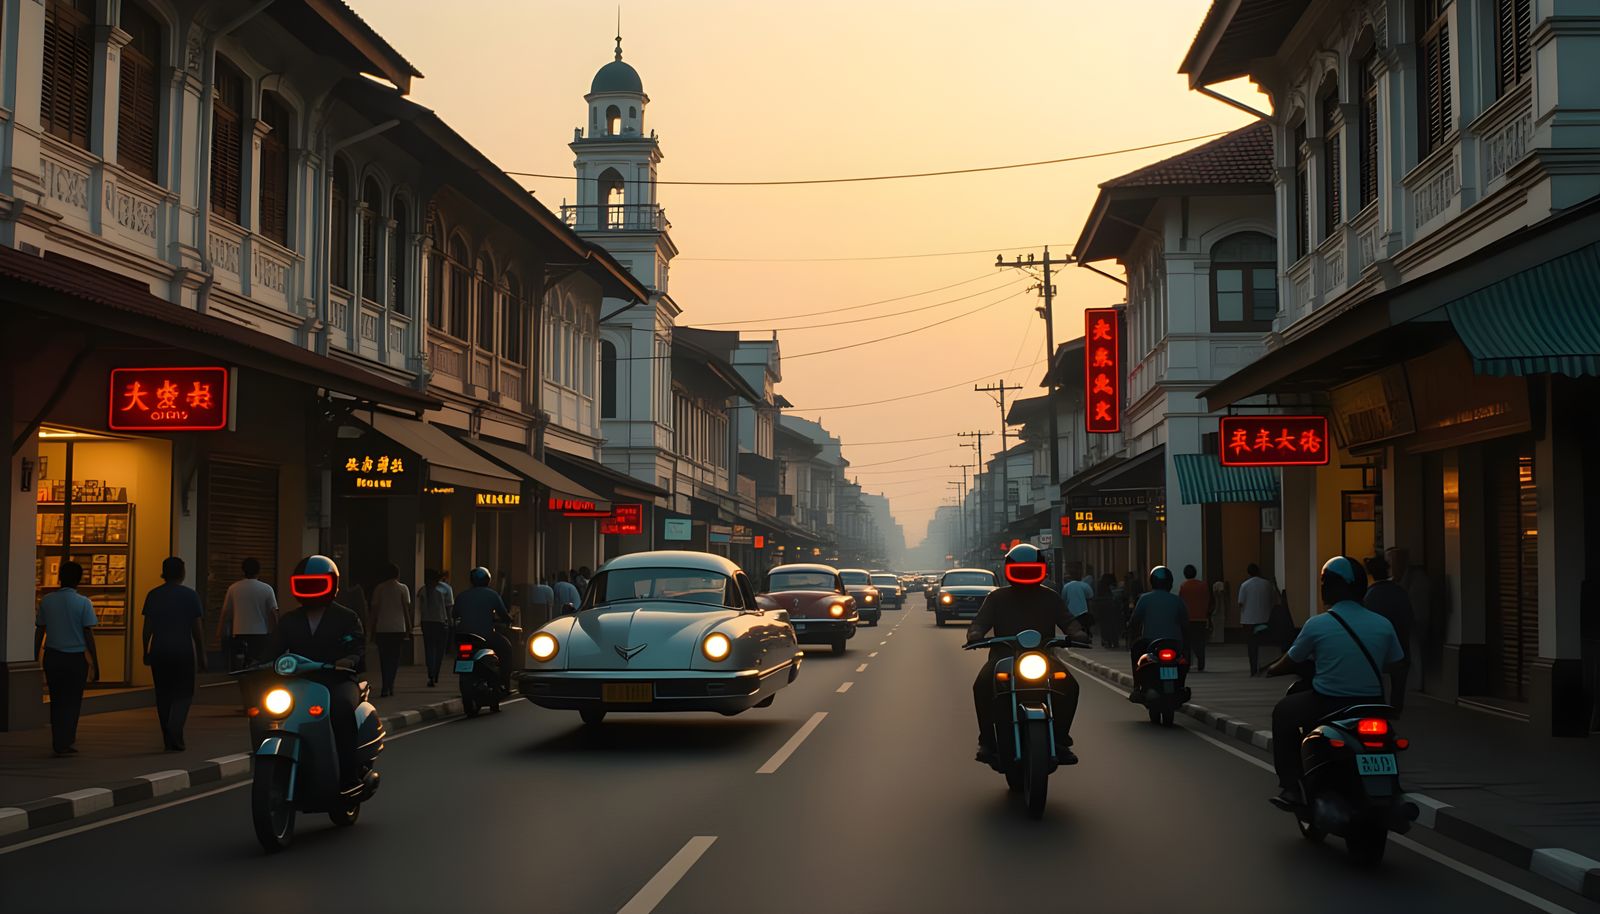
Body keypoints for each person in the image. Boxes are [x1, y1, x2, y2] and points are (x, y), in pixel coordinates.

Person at [1264, 556, 1404, 804]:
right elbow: (1398, 666)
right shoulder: (1383, 624)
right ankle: (1394, 788)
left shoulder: (1318, 624)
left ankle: (1291, 787)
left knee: (1283, 713)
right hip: (1373, 704)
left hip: (1330, 702)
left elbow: (1292, 659)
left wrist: (1273, 669)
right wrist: (1396, 704)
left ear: (1329, 587)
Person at [966, 544, 1083, 765]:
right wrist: (975, 634)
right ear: (1009, 570)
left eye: (1030, 569)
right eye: (1021, 570)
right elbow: (979, 623)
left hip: (1043, 657)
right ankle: (988, 741)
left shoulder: (1050, 597)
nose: (1025, 574)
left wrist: (1077, 633)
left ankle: (1060, 738)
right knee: (981, 685)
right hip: (1002, 658)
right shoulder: (996, 598)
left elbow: (1069, 622)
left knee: (1071, 686)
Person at [267, 554, 365, 787]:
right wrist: (256, 665)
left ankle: (348, 774)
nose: (310, 588)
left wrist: (349, 659)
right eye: (305, 584)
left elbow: (358, 647)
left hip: (337, 680)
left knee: (341, 709)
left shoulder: (346, 617)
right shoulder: (289, 620)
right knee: (265, 709)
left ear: (332, 584)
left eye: (317, 583)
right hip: (299, 682)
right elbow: (272, 651)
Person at [141, 557, 208, 750]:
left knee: (163, 694)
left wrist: (145, 650)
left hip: (159, 650)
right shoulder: (190, 595)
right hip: (183, 651)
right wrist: (202, 654)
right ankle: (175, 728)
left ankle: (167, 737)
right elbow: (197, 629)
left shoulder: (153, 595)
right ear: (182, 573)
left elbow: (147, 628)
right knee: (184, 693)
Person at [34, 561, 99, 756]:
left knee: (57, 699)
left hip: (53, 656)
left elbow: (40, 630)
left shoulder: (47, 601)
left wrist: (34, 654)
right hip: (75, 658)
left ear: (59, 578)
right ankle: (67, 739)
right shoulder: (84, 602)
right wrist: (95, 661)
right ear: (79, 580)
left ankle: (58, 739)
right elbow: (88, 633)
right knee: (72, 701)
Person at [1126, 566, 1188, 700]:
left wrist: (1130, 628)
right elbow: (1185, 623)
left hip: (1150, 643)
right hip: (1174, 644)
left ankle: (1137, 686)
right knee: (1185, 658)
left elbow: (1134, 621)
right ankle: (1181, 685)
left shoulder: (1144, 599)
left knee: (1136, 650)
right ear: (1170, 583)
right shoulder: (1177, 600)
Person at [1363, 555, 1414, 714]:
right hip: (1400, 645)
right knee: (1398, 681)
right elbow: (1409, 617)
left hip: (1376, 649)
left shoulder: (1368, 596)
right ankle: (1396, 708)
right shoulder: (1400, 592)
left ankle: (1378, 707)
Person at [455, 567, 514, 691]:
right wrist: (509, 619)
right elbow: (503, 614)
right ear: (488, 580)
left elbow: (454, 614)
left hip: (464, 636)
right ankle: (504, 683)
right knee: (506, 649)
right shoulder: (492, 594)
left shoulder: (462, 596)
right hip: (485, 635)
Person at [216, 557, 278, 669]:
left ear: (243, 570)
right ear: (259, 571)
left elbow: (225, 612)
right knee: (258, 665)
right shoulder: (267, 589)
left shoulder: (233, 588)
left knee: (238, 666)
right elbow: (274, 612)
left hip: (239, 633)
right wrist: (276, 632)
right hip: (260, 634)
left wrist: (220, 632)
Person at [1387, 546, 1430, 689]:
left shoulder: (1417, 580)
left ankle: (1416, 684)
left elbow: (1418, 607)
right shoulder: (1399, 581)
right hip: (1406, 624)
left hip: (1414, 623)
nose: (1391, 567)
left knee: (1414, 653)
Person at [368, 562, 412, 698]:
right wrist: (409, 628)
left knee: (384, 658)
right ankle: (389, 685)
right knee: (394, 659)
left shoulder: (379, 589)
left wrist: (371, 629)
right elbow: (406, 609)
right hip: (398, 628)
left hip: (382, 628)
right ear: (397, 574)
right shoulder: (403, 588)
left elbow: (374, 611)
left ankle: (385, 685)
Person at [1238, 564, 1276, 676]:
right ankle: (1264, 666)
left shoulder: (1245, 585)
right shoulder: (1267, 584)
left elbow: (1240, 602)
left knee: (1252, 645)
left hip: (1248, 620)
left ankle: (1253, 669)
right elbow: (1272, 600)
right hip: (1265, 618)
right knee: (1264, 644)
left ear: (1248, 573)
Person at [419, 568, 454, 687]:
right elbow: (449, 608)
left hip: (426, 622)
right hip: (441, 622)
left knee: (429, 649)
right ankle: (435, 673)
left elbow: (421, 607)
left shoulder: (423, 590)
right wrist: (451, 622)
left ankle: (431, 674)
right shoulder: (445, 589)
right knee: (440, 651)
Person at [1178, 564, 1212, 671]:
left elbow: (1181, 603)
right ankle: (1201, 663)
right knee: (1200, 642)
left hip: (1188, 619)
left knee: (1187, 643)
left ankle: (1187, 663)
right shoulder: (1203, 585)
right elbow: (1208, 600)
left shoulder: (1184, 586)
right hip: (1201, 618)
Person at [1093, 572, 1123, 649]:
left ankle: (1107, 641)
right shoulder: (1111, 589)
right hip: (1112, 610)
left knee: (1105, 626)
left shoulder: (1101, 586)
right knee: (1113, 626)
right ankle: (1114, 641)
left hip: (1103, 610)